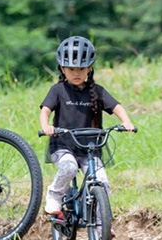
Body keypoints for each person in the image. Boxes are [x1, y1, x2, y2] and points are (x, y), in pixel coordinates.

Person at [39, 36, 135, 217]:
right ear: (62, 68)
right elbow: (45, 111)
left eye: (81, 69)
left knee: (102, 183)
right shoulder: (57, 90)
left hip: (90, 148)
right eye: (71, 69)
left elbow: (116, 107)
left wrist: (126, 121)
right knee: (69, 167)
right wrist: (46, 126)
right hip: (63, 146)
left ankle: (101, 226)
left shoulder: (97, 91)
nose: (77, 73)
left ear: (89, 68)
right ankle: (54, 195)